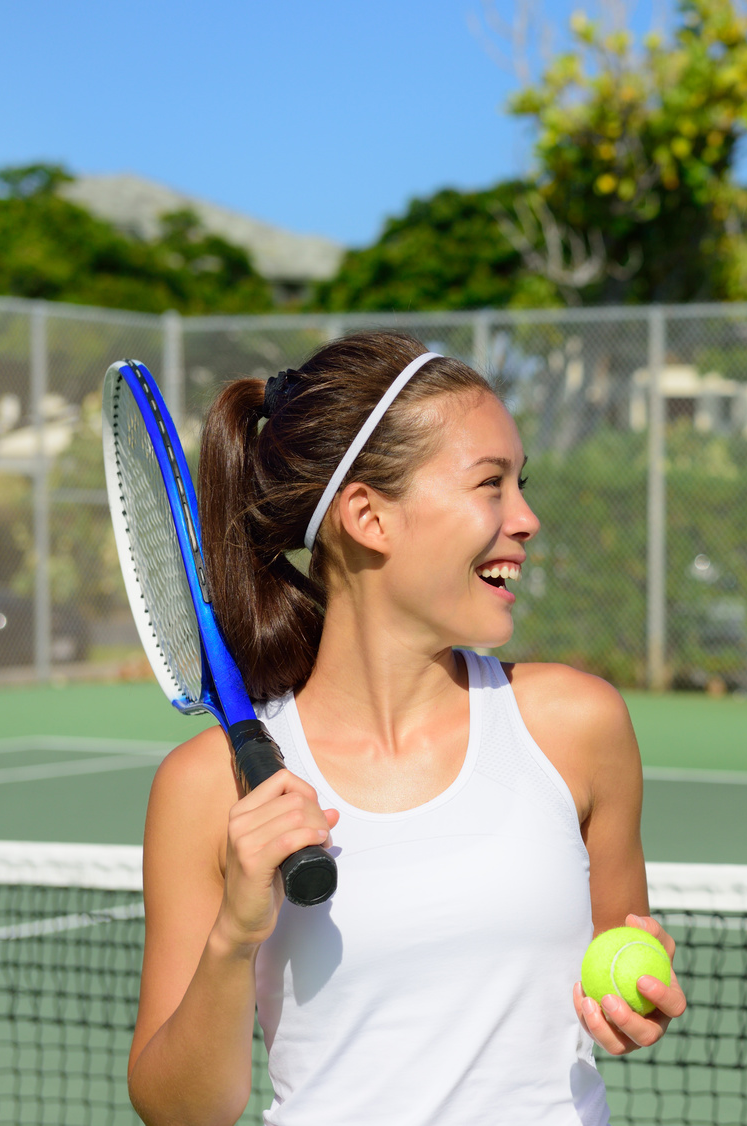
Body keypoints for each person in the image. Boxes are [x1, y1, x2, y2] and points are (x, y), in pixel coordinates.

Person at [126, 333, 684, 1126]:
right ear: (368, 516)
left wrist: (638, 1001)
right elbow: (180, 1113)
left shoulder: (577, 726)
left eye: (519, 484)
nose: (526, 519)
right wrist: (233, 938)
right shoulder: (204, 789)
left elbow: (620, 964)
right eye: (489, 484)